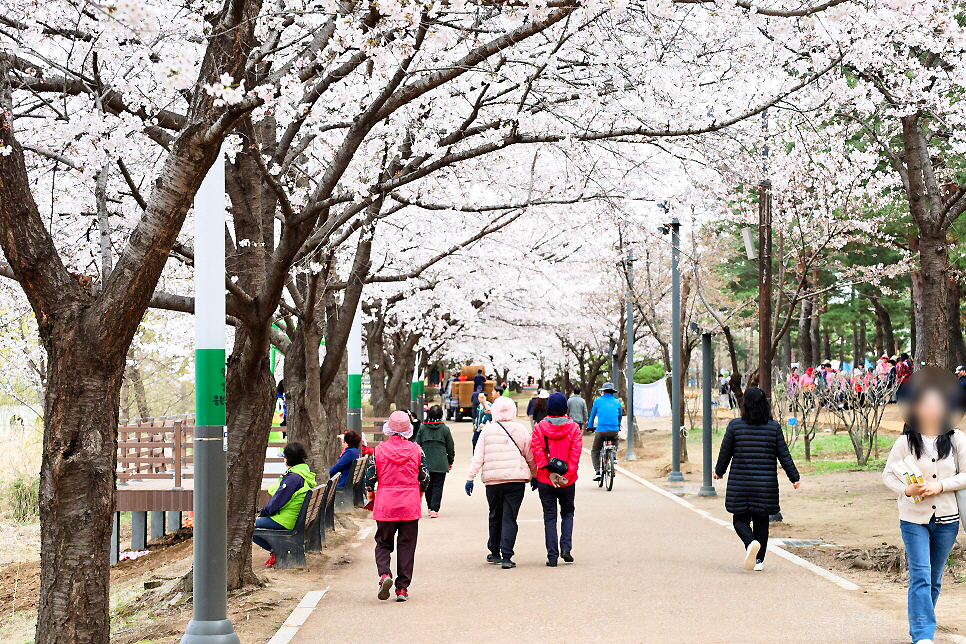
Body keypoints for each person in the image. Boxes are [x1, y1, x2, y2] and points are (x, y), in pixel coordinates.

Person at [882, 372, 966, 644]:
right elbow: (888, 475)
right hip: (913, 518)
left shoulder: (957, 439)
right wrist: (906, 490)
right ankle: (923, 635)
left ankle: (920, 623)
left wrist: (941, 486)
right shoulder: (905, 442)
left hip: (947, 519)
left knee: (934, 579)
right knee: (920, 576)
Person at [713, 387, 801, 572]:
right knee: (762, 521)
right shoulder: (773, 427)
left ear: (745, 405)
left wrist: (719, 472)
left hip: (741, 484)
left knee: (739, 519)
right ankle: (759, 561)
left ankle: (750, 542)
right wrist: (794, 477)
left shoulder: (735, 426)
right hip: (765, 485)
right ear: (764, 405)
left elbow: (725, 453)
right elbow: (784, 455)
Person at [365, 410, 430, 602]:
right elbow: (425, 478)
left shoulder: (379, 451)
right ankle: (402, 589)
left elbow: (369, 479)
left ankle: (384, 575)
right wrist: (419, 493)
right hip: (409, 504)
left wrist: (371, 496)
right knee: (407, 546)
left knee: (383, 543)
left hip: (385, 504)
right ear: (408, 429)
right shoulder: (417, 450)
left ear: (388, 429)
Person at [465, 397, 537, 569]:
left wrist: (470, 478)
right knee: (510, 518)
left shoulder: (487, 431)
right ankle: (507, 556)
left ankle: (495, 552)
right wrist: (535, 476)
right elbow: (530, 457)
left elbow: (478, 458)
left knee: (495, 515)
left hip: (493, 482)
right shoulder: (521, 430)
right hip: (516, 481)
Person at [531, 393, 582, 567]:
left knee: (549, 517)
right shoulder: (574, 428)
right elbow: (575, 456)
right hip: (567, 481)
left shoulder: (539, 428)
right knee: (567, 514)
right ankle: (566, 549)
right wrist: (566, 476)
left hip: (546, 480)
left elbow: (537, 452)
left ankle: (552, 557)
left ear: (548, 408)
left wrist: (548, 471)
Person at [253, 442, 317, 567]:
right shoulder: (303, 473)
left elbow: (278, 501)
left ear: (288, 458)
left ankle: (277, 551)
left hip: (286, 520)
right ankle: (277, 551)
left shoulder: (293, 478)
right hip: (295, 518)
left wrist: (263, 512)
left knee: (249, 527)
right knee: (253, 524)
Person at [415, 405, 455, 518]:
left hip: (425, 463)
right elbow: (450, 447)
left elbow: (417, 445)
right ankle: (434, 509)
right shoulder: (445, 429)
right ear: (441, 415)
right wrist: (450, 460)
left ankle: (430, 507)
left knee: (427, 485)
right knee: (438, 486)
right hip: (441, 463)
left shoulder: (423, 428)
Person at [588, 382, 623, 481]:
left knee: (595, 451)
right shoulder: (617, 402)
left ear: (603, 391)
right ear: (612, 392)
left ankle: (598, 471)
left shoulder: (598, 400)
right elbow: (619, 416)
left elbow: (592, 416)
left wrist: (590, 426)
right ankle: (614, 456)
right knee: (616, 440)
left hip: (601, 431)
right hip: (614, 430)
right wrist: (618, 425)